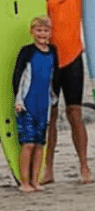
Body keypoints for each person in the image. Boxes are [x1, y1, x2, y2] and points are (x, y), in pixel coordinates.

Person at [43, 0, 95, 185]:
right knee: (50, 117)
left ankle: (84, 166)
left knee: (74, 114)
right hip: (46, 62)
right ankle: (48, 169)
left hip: (72, 58)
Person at [13, 16, 59, 192]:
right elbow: (18, 76)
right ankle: (24, 182)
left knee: (40, 144)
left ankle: (35, 181)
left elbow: (54, 78)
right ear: (32, 32)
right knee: (28, 144)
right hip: (26, 103)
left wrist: (54, 99)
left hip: (43, 105)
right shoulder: (27, 51)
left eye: (46, 30)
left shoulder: (53, 51)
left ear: (50, 33)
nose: (42, 34)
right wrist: (18, 100)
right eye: (38, 30)